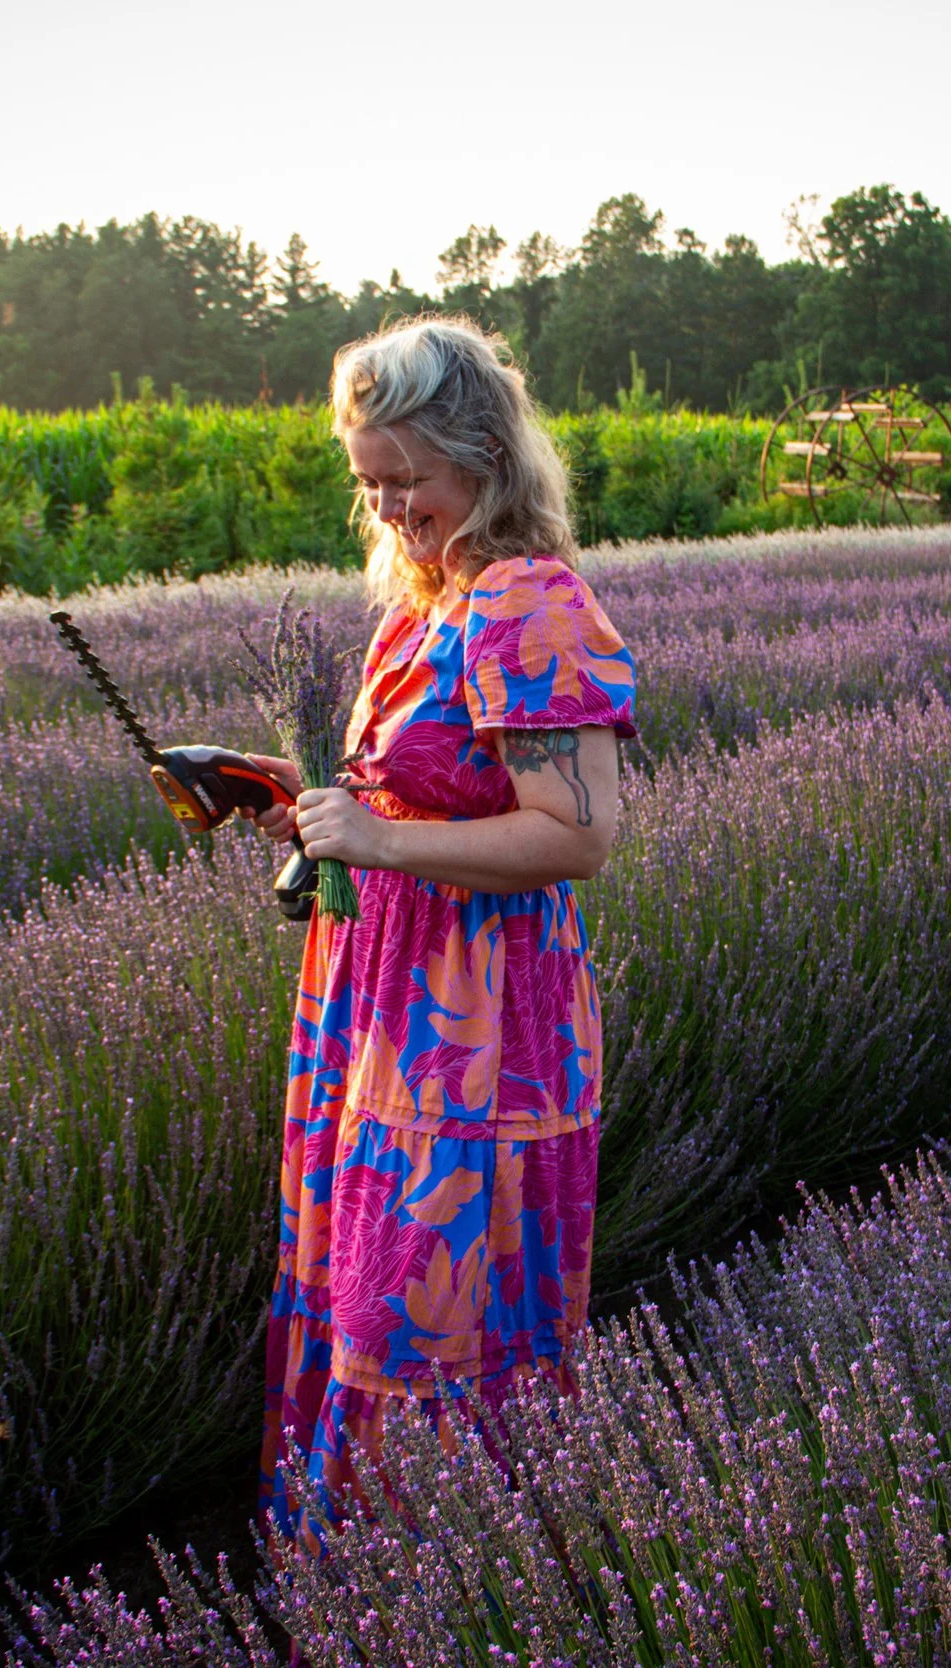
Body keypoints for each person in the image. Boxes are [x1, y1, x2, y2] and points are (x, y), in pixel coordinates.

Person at [239, 315, 635, 1537]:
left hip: (476, 1032)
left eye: (409, 478)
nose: (392, 507)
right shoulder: (421, 604)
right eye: (372, 484)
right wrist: (315, 814)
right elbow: (413, 791)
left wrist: (383, 842)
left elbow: (576, 836)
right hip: (376, 1003)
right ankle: (353, 1578)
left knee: (424, 1314)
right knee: (359, 1287)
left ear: (484, 455)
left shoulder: (530, 604)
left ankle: (455, 1578)